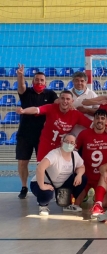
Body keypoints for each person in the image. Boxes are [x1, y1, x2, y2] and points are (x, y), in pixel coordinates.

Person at [15, 64, 58, 199]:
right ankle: (24, 186)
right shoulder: (26, 92)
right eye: (37, 79)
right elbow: (21, 87)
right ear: (33, 81)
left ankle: (45, 184)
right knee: (23, 162)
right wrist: (20, 75)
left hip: (43, 136)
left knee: (45, 162)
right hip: (25, 135)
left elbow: (59, 103)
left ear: (45, 83)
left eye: (41, 80)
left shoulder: (50, 94)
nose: (39, 82)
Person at [15, 90, 93, 162]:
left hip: (62, 147)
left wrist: (104, 128)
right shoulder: (51, 107)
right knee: (42, 168)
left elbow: (91, 124)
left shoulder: (76, 114)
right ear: (58, 100)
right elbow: (37, 109)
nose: (65, 101)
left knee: (60, 172)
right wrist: (23, 111)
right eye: (62, 98)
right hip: (46, 145)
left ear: (72, 101)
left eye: (68, 99)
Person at [29, 134, 87, 216]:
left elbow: (81, 167)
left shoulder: (75, 155)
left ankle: (66, 204)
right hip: (42, 183)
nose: (69, 144)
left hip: (60, 186)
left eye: (72, 142)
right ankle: (43, 205)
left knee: (83, 179)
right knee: (47, 193)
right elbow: (40, 168)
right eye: (66, 141)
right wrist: (42, 186)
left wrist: (79, 175)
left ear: (75, 145)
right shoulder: (54, 154)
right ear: (62, 142)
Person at [69, 71, 99, 137]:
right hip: (71, 130)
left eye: (82, 81)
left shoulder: (92, 94)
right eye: (76, 80)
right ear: (73, 81)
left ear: (86, 82)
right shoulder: (67, 94)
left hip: (88, 129)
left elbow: (99, 112)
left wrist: (86, 110)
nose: (79, 83)